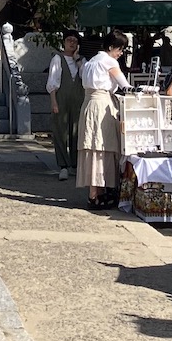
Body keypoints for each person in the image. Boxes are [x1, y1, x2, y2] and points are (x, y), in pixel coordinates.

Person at [77, 31, 130, 211]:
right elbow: (124, 84)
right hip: (101, 104)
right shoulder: (108, 61)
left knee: (92, 146)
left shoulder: (90, 62)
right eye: (120, 49)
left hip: (88, 103)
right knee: (101, 146)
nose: (121, 53)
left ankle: (96, 192)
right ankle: (96, 195)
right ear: (110, 47)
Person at [46, 31, 84, 180]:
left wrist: (78, 59)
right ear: (64, 42)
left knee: (76, 131)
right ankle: (63, 165)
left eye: (75, 41)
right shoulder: (58, 59)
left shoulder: (82, 61)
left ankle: (75, 164)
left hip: (78, 99)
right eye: (69, 40)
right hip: (61, 98)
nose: (72, 43)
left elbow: (85, 76)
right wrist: (53, 101)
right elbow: (52, 81)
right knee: (60, 131)